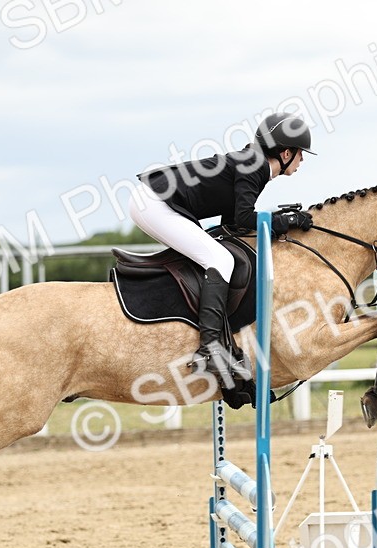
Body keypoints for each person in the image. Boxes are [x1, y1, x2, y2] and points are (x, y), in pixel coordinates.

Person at [128, 112, 315, 394]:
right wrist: (284, 222)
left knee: (217, 255)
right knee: (220, 259)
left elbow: (230, 224)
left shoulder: (251, 163)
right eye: (301, 154)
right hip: (155, 203)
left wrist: (278, 220)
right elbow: (243, 218)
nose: (303, 160)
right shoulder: (254, 166)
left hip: (154, 200)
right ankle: (209, 349)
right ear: (287, 152)